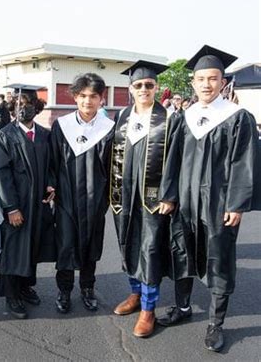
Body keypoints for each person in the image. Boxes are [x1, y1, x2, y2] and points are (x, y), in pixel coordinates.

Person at [158, 45, 259, 352]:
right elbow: (171, 161)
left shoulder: (237, 117)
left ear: (223, 81)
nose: (206, 84)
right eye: (200, 79)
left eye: (212, 78)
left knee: (218, 259)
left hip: (219, 205)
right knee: (182, 253)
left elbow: (245, 163)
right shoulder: (182, 117)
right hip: (185, 203)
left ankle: (216, 323)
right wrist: (169, 196)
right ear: (192, 83)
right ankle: (184, 307)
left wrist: (236, 204)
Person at [110, 60, 179, 337]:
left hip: (153, 199)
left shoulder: (170, 119)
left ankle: (148, 309)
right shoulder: (123, 116)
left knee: (149, 249)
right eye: (138, 85)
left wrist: (169, 195)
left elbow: (176, 161)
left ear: (156, 87)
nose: (143, 89)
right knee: (128, 243)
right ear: (130, 89)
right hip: (123, 195)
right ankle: (135, 294)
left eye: (149, 85)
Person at [50, 73, 115, 314]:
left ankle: (87, 288)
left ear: (101, 99)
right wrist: (51, 188)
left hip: (96, 200)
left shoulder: (109, 128)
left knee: (91, 245)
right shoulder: (61, 126)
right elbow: (52, 163)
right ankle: (64, 290)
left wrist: (108, 199)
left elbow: (113, 167)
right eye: (83, 96)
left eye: (93, 96)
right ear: (76, 97)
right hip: (66, 199)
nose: (88, 101)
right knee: (65, 245)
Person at [0, 92, 55, 319]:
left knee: (32, 247)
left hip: (38, 203)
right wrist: (11, 207)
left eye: (27, 103)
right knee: (13, 249)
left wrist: (51, 185)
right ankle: (11, 295)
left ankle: (25, 286)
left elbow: (51, 167)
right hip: (17, 204)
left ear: (36, 107)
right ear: (11, 107)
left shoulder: (45, 136)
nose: (22, 107)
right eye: (17, 103)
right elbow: (2, 174)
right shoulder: (4, 136)